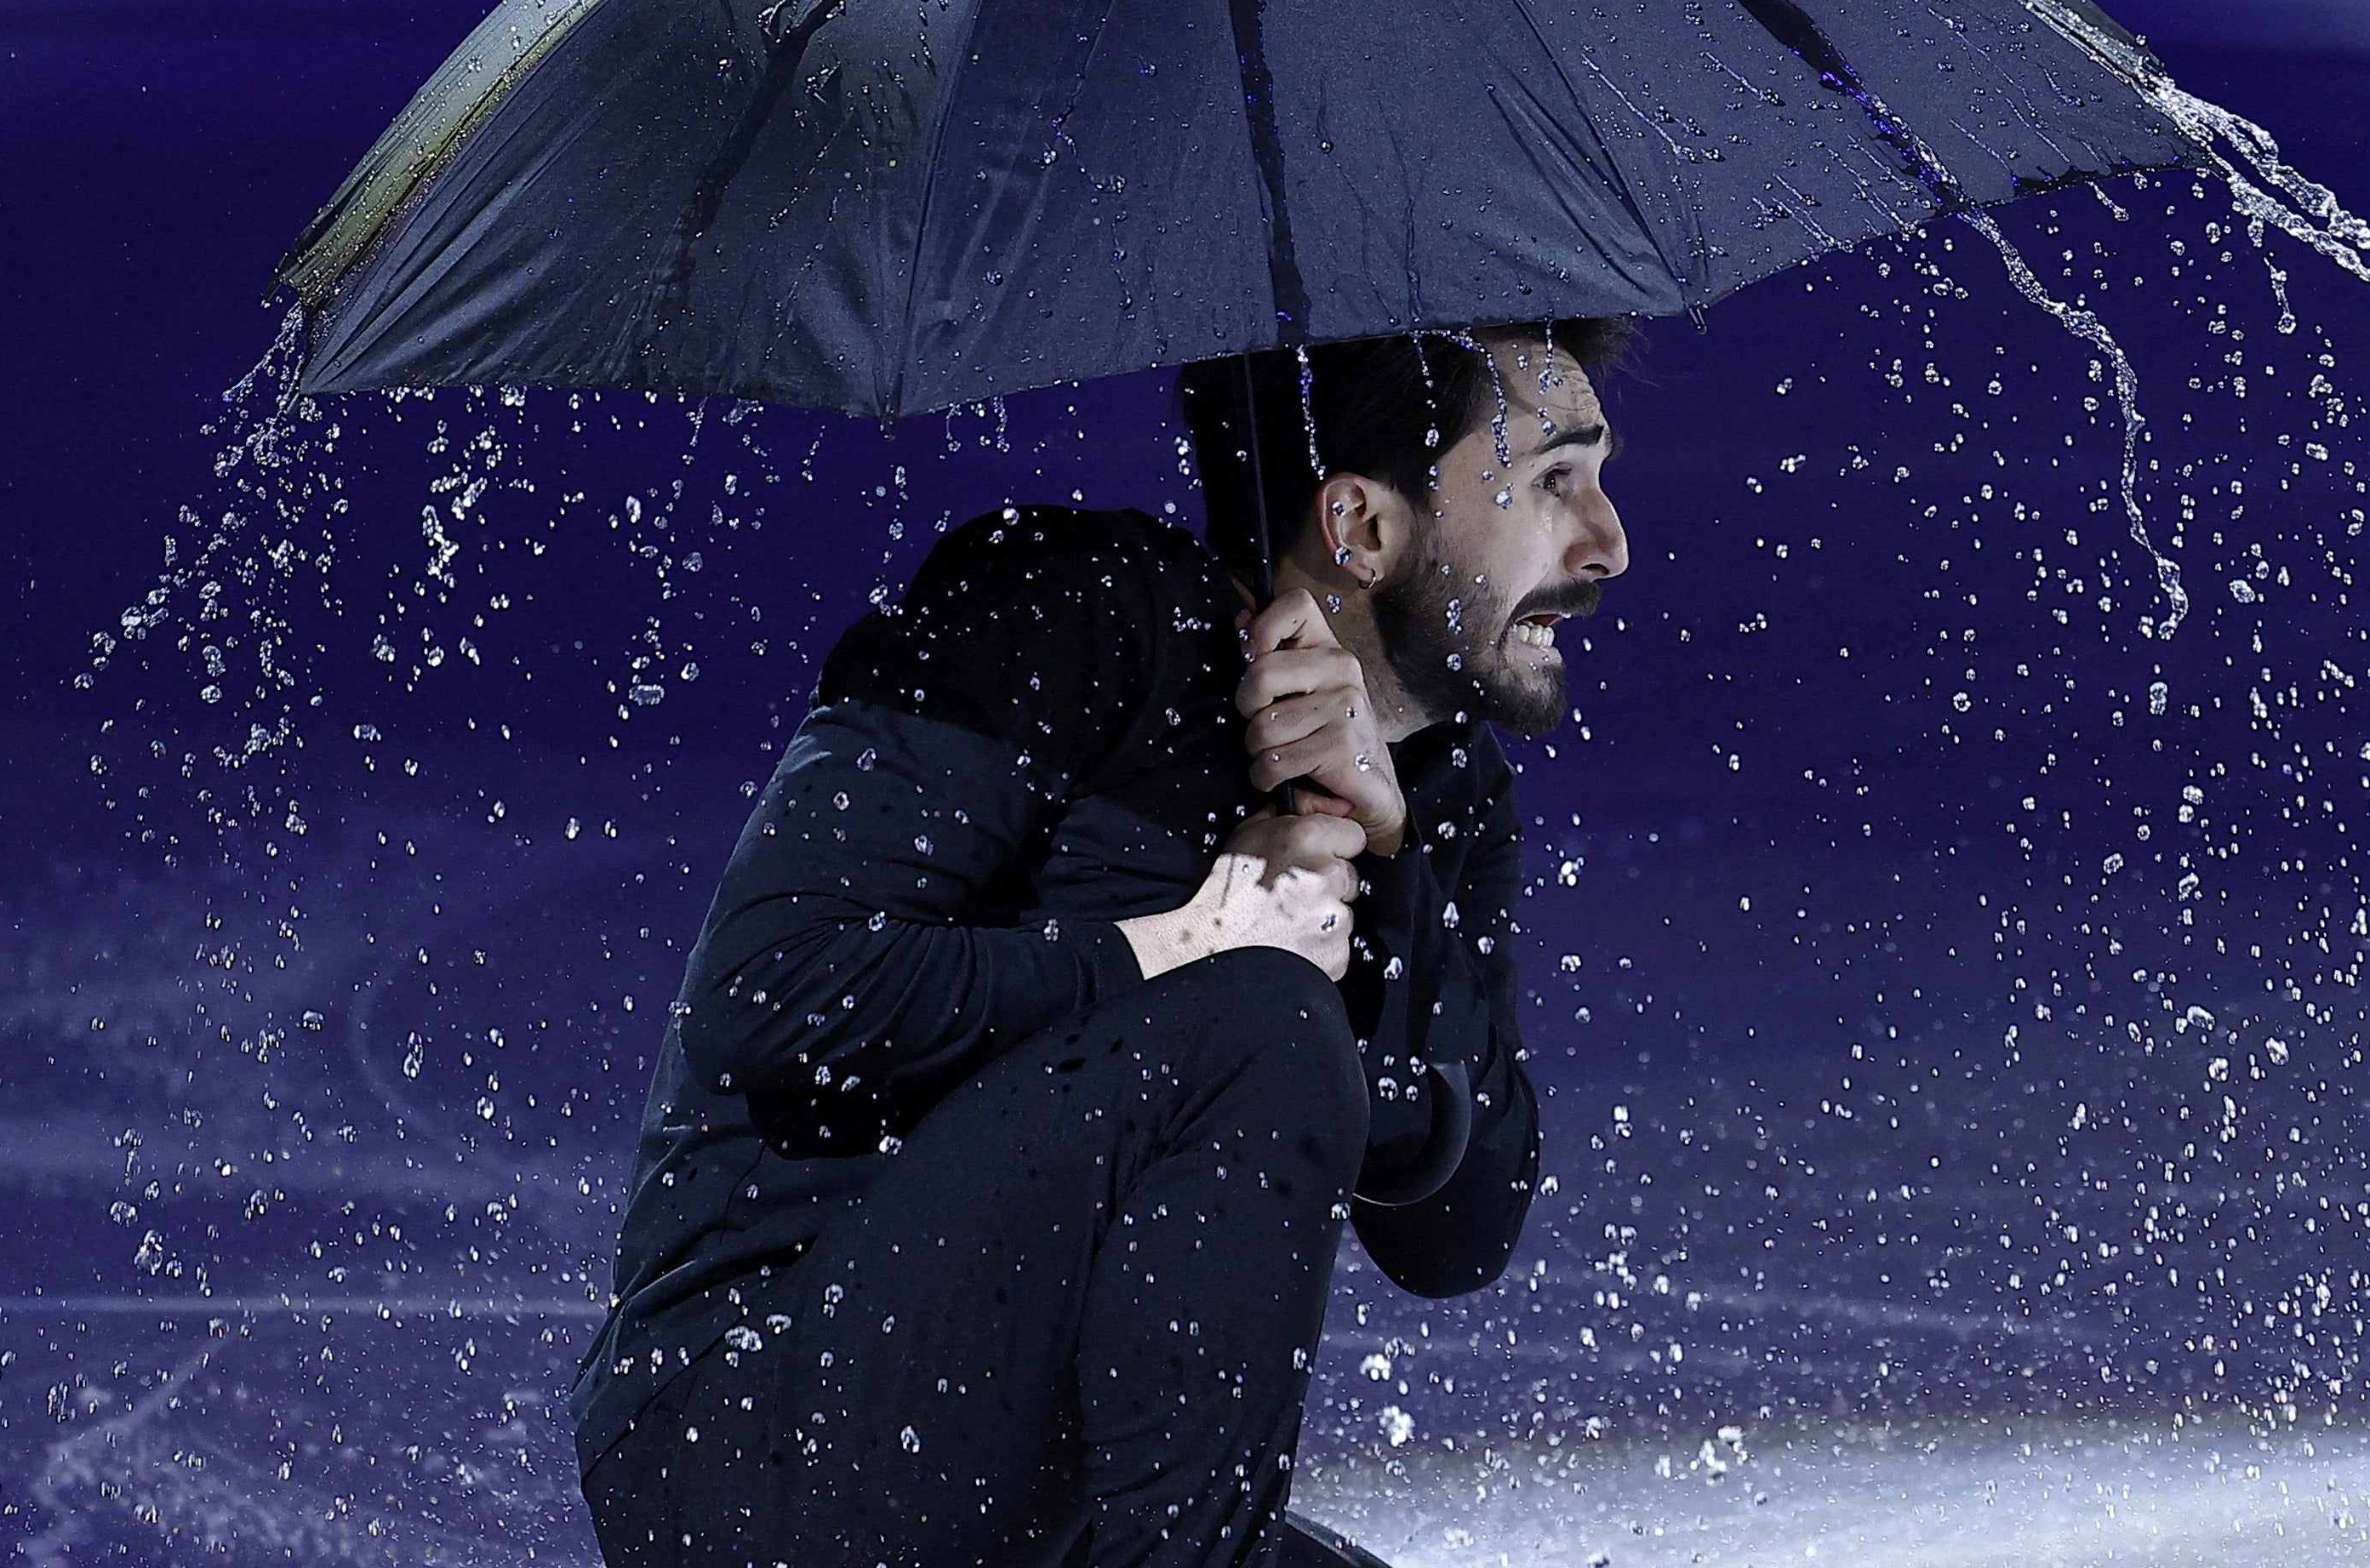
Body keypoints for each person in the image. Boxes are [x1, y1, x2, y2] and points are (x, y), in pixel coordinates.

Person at [570, 322, 1632, 1567]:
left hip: (1029, 1499)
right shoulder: (1059, 612)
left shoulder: (1440, 794)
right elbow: (778, 993)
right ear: (1362, 525)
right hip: (756, 1436)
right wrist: (1187, 942)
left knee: (1267, 1019)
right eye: (1554, 479)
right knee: (1261, 1021)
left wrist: (1382, 884)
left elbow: (1456, 1232)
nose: (1606, 542)